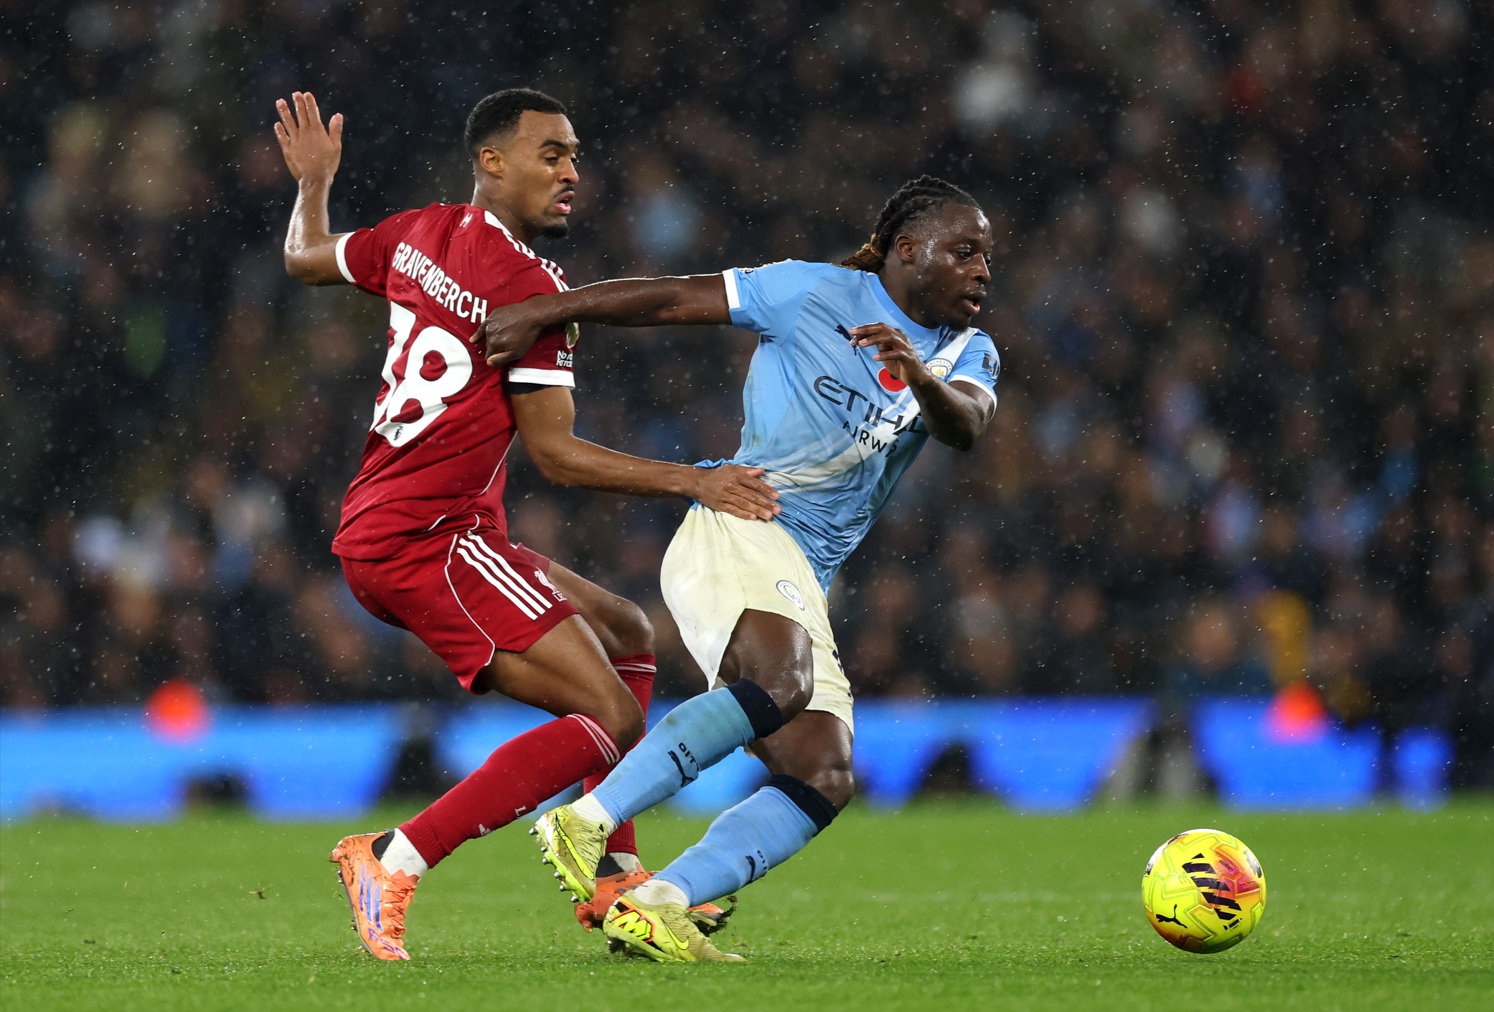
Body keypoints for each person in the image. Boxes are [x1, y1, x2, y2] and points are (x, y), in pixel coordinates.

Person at [273, 88, 779, 961]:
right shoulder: (532, 293)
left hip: (411, 523)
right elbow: (558, 456)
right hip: (428, 537)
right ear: (491, 161)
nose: (571, 172)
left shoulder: (418, 232)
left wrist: (314, 183)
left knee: (627, 631)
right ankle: (395, 856)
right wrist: (696, 481)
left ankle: (616, 876)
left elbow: (305, 256)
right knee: (611, 716)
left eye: (575, 156)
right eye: (551, 154)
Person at [475, 176, 1001, 961]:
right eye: (965, 252)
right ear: (908, 249)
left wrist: (918, 375)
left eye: (987, 257)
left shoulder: (972, 351)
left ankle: (658, 901)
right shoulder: (808, 292)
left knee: (822, 773)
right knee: (781, 684)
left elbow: (963, 426)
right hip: (741, 522)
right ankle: (584, 822)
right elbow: (665, 301)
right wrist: (549, 310)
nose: (982, 270)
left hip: (803, 571)